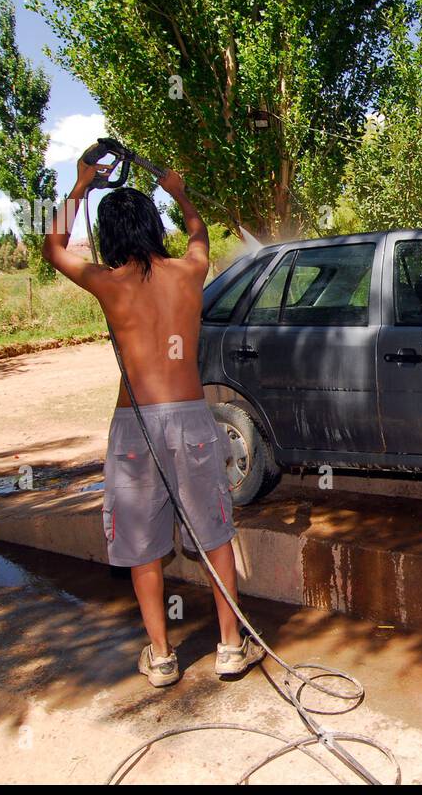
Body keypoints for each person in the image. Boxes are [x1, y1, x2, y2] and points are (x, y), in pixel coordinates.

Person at [43, 155, 263, 687]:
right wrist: (180, 192)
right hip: (190, 419)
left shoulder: (107, 282)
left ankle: (162, 657)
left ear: (111, 234)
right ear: (151, 226)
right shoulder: (188, 273)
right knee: (213, 532)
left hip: (135, 426)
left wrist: (79, 183)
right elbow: (199, 234)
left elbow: (52, 248)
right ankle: (230, 647)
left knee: (142, 544)